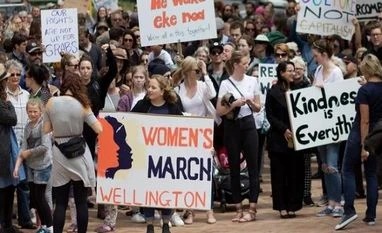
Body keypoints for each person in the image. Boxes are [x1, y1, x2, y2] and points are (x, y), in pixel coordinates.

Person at [43, 71, 102, 233]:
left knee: (60, 203)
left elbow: (46, 129)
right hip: (79, 153)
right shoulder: (82, 104)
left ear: (64, 85)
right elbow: (99, 128)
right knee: (81, 201)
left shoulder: (50, 102)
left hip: (59, 152)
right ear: (78, 87)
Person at [335, 54, 382, 230]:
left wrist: (364, 146)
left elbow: (364, 121)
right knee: (371, 174)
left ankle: (349, 210)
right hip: (379, 135)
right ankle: (371, 215)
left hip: (362, 134)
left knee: (347, 170)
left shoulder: (365, 91)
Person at [132, 75, 183, 233]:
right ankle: (149, 225)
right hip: (145, 159)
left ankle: (166, 223)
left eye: (153, 87)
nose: (149, 89)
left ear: (162, 91)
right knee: (147, 192)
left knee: (165, 190)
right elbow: (128, 123)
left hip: (167, 160)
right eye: (149, 87)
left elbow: (185, 130)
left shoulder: (173, 107)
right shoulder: (142, 105)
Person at [216, 50, 261, 223]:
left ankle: (252, 208)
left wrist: (250, 102)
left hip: (248, 123)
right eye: (243, 63)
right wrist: (234, 104)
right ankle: (238, 208)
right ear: (235, 65)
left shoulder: (252, 81)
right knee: (233, 167)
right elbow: (220, 111)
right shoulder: (226, 83)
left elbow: (258, 107)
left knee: (253, 168)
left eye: (247, 62)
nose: (246, 65)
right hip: (232, 125)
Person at [173, 56, 217, 224]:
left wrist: (206, 73)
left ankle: (209, 210)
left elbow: (213, 94)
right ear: (187, 72)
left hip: (204, 132)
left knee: (207, 173)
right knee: (189, 172)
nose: (198, 73)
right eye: (196, 71)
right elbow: (177, 110)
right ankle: (190, 211)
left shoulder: (203, 85)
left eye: (199, 71)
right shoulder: (179, 89)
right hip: (187, 133)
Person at [265, 61, 305, 218]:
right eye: (289, 70)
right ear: (281, 73)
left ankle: (292, 205)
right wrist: (283, 129)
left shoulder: (299, 89)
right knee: (279, 174)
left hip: (297, 138)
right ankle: (281, 206)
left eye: (293, 70)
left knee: (295, 173)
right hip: (278, 139)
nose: (293, 73)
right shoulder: (273, 92)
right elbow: (270, 115)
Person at [312, 39, 344, 218]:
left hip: (332, 126)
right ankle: (331, 202)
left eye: (316, 55)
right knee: (324, 166)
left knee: (332, 165)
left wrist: (323, 90)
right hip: (319, 125)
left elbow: (339, 99)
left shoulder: (336, 72)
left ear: (324, 54)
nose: (315, 59)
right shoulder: (317, 70)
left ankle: (338, 201)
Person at [13, 98, 53, 233]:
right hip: (30, 166)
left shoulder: (44, 125)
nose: (32, 114)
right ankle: (42, 227)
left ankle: (50, 227)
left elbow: (45, 147)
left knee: (41, 197)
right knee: (35, 198)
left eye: (35, 111)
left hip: (43, 165)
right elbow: (23, 147)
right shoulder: (28, 126)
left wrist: (28, 153)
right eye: (30, 111)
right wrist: (17, 166)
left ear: (41, 111)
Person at [0, 63, 24, 233]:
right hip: (4, 149)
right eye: (8, 77)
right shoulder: (3, 102)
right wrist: (8, 104)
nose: (13, 78)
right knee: (6, 189)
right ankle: (5, 224)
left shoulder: (4, 99)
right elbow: (12, 119)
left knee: (13, 188)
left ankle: (9, 223)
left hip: (12, 145)